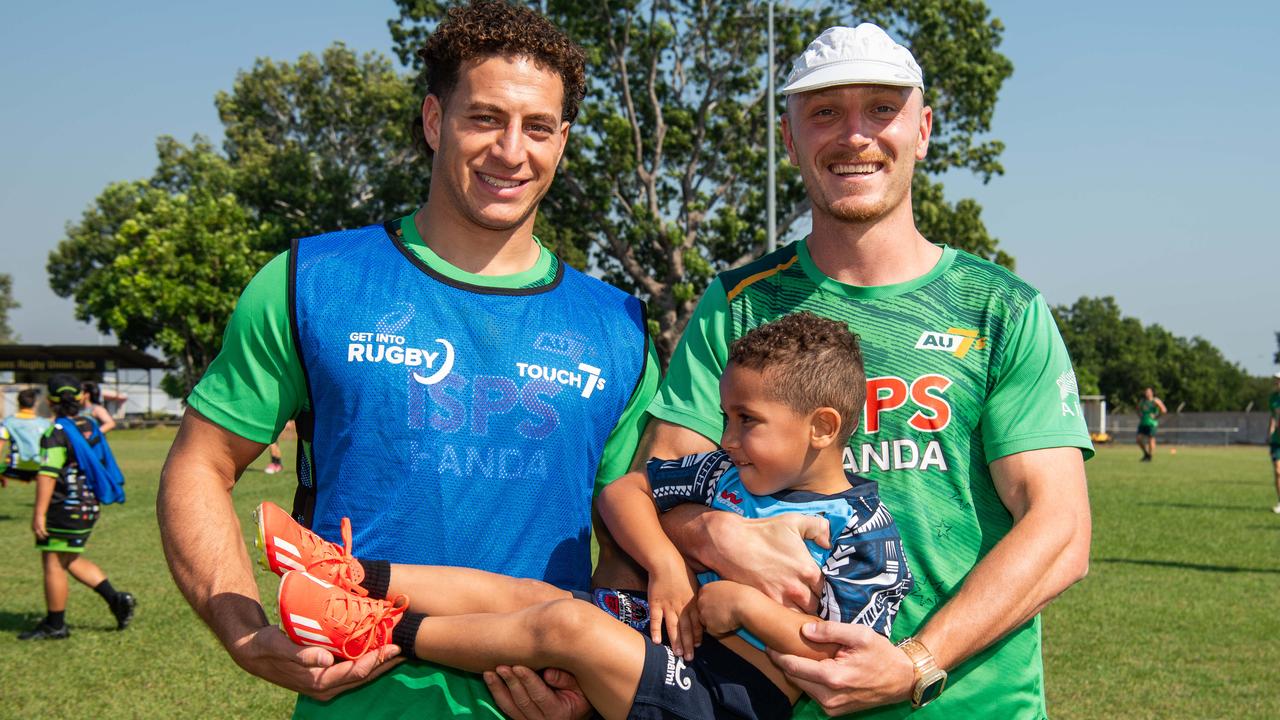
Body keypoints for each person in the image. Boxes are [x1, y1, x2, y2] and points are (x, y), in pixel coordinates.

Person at [156, 2, 658, 718]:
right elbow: (200, 463)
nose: (512, 151)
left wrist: (595, 687)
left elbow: (629, 548)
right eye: (485, 118)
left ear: (562, 140)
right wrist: (241, 629)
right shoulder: (312, 282)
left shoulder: (618, 326)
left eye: (538, 126)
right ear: (434, 121)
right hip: (360, 701)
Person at [626, 23, 1092, 718]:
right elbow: (656, 486)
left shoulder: (1000, 307)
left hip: (972, 705)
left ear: (924, 128)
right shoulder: (738, 306)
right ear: (790, 139)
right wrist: (713, 533)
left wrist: (916, 663)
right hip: (766, 700)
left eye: (882, 108)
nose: (854, 135)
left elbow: (1060, 530)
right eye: (824, 113)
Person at [262, 313, 913, 719]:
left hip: (723, 701)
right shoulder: (720, 472)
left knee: (566, 623)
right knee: (529, 595)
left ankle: (377, 632)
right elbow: (622, 493)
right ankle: (348, 574)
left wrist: (746, 611)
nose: (728, 436)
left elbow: (843, 661)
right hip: (651, 646)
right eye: (726, 417)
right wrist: (666, 561)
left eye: (748, 421)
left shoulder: (865, 532)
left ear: (822, 427)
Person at [19, 374, 135, 640]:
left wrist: (39, 513)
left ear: (49, 401)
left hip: (65, 506)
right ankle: (116, 599)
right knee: (68, 558)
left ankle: (55, 624)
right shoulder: (89, 424)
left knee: (53, 561)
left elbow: (48, 473)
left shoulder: (56, 432)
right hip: (88, 504)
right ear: (82, 397)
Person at [2, 388, 51, 488]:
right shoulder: (46, 424)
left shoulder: (8, 423)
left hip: (15, 468)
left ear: (18, 402)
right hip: (40, 467)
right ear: (36, 403)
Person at [1135, 386, 1167, 462]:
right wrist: (1140, 416)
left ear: (1152, 393)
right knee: (1138, 439)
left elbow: (1164, 410)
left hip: (1152, 423)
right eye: (1146, 392)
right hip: (1143, 423)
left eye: (1149, 392)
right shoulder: (1142, 401)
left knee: (1150, 439)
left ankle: (1150, 456)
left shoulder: (1155, 401)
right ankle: (1146, 454)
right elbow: (1137, 409)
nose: (1147, 393)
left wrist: (1156, 416)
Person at [1269, 373, 1280, 513]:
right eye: (1276, 380)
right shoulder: (1273, 398)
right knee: (1278, 471)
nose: (1277, 382)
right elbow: (1273, 416)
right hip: (1277, 440)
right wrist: (1270, 431)